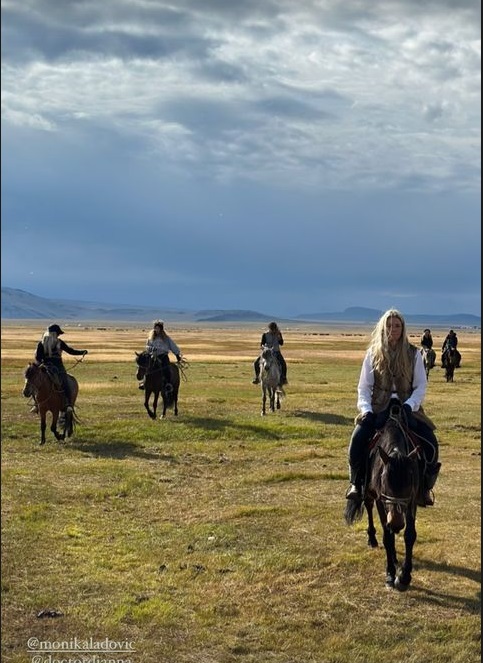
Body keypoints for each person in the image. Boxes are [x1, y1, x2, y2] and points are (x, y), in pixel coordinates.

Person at [346, 309, 441, 507]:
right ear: (383, 327)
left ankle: (424, 489)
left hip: (408, 408)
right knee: (357, 440)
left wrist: (409, 405)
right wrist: (366, 410)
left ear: (403, 328)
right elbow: (364, 387)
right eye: (389, 325)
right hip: (378, 408)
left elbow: (420, 386)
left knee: (431, 444)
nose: (393, 329)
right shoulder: (373, 353)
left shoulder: (414, 354)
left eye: (397, 325)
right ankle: (356, 484)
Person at [34, 324, 88, 411]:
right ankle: (37, 403)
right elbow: (37, 358)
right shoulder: (42, 344)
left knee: (64, 382)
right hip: (49, 367)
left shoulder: (56, 343)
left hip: (55, 367)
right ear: (54, 334)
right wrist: (41, 365)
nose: (58, 335)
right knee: (35, 381)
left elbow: (70, 351)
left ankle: (67, 404)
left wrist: (82, 352)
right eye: (57, 334)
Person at [140, 320, 182, 392]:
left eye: (158, 328)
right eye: (155, 328)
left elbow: (173, 346)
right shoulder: (150, 338)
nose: (157, 330)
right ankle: (144, 382)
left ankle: (168, 384)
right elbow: (147, 346)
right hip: (153, 356)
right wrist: (151, 348)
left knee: (166, 369)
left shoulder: (166, 338)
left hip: (163, 356)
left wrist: (177, 354)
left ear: (161, 329)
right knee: (146, 367)